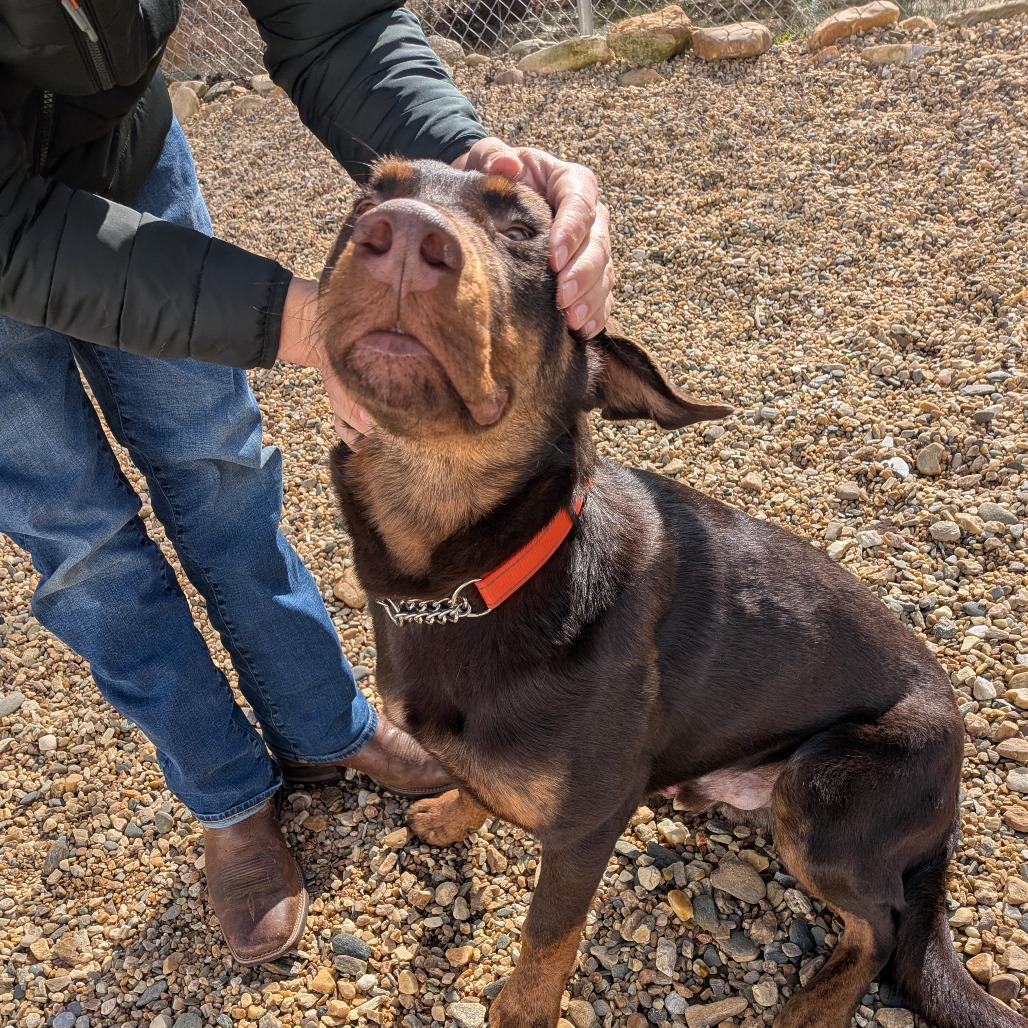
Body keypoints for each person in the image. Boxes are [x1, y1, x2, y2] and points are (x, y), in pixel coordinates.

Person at [0, 0, 613, 964]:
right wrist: (311, 321)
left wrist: (471, 152)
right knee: (80, 545)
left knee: (221, 469)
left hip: (119, 153)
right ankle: (227, 795)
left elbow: (333, 23)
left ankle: (322, 723)